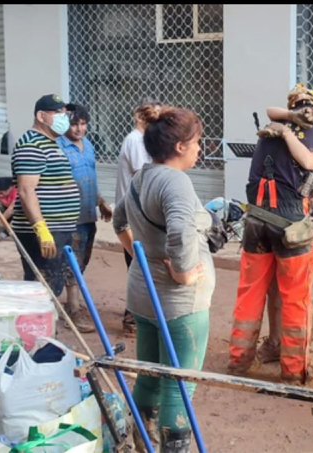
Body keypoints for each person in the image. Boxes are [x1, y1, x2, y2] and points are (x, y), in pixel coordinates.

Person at [227, 86, 313, 383]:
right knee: (297, 298)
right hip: (293, 227)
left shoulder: (274, 126)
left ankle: (239, 361)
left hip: (256, 220)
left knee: (250, 294)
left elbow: (277, 115)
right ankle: (294, 369)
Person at [112, 105, 214, 452]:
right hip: (178, 303)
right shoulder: (176, 182)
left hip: (143, 293)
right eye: (198, 142)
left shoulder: (142, 175)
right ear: (181, 146)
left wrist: (145, 254)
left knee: (151, 375)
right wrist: (184, 274)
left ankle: (141, 443)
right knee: (179, 385)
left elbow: (118, 223)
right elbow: (182, 235)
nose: (201, 149)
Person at [255, 104, 313, 375]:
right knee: (275, 288)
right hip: (278, 222)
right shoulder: (300, 137)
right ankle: (275, 341)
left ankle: (310, 349)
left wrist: (285, 133)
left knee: (311, 292)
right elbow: (274, 112)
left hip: (309, 229)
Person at [11, 94, 80, 303]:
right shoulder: (32, 145)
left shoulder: (51, 143)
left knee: (51, 286)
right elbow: (26, 190)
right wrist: (41, 229)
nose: (64, 117)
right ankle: (37, 331)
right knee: (41, 289)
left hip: (58, 228)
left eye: (65, 113)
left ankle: (45, 329)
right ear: (41, 116)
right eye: (58, 112)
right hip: (45, 231)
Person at [57, 103, 112, 333]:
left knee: (82, 261)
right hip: (69, 216)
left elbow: (90, 177)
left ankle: (69, 305)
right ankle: (74, 309)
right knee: (73, 264)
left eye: (82, 124)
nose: (79, 129)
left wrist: (102, 203)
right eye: (74, 124)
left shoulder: (88, 146)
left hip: (89, 214)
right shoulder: (58, 146)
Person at [115, 100, 163, 333]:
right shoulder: (135, 141)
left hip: (138, 212)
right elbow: (143, 177)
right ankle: (131, 317)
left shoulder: (143, 141)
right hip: (133, 213)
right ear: (139, 118)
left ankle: (136, 313)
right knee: (139, 266)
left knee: (139, 264)